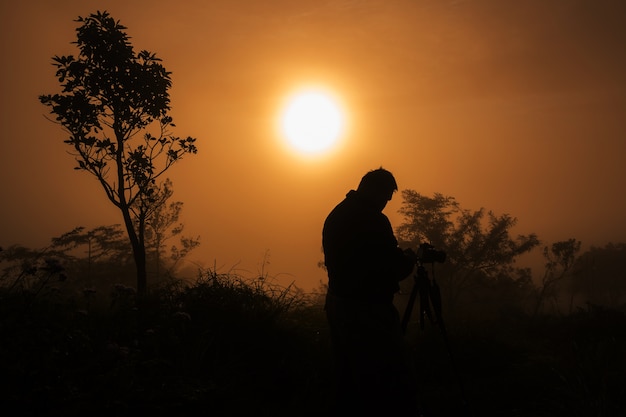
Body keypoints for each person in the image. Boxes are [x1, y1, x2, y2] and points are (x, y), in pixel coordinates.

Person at [322, 168, 419, 415]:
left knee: (347, 375)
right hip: (367, 309)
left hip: (338, 303)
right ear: (375, 191)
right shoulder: (372, 219)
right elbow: (392, 267)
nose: (386, 203)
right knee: (385, 373)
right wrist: (409, 258)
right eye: (386, 197)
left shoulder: (337, 213)